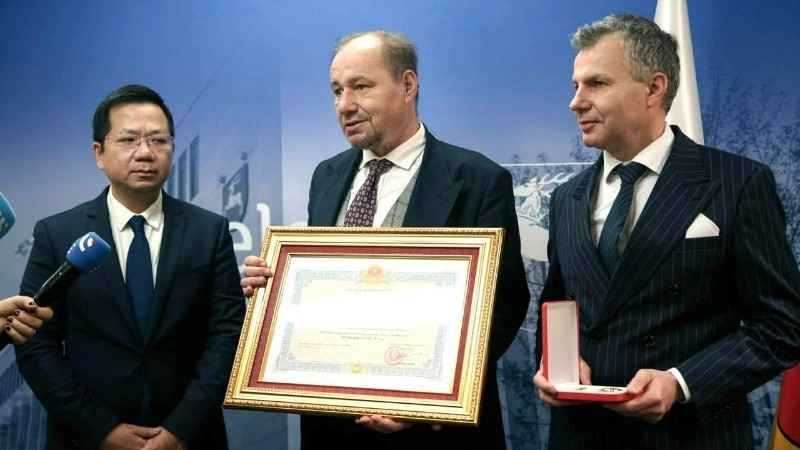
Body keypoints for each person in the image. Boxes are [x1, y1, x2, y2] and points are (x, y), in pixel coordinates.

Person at [241, 30, 530, 449]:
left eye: (361, 86)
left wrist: (425, 402)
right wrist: (275, 288)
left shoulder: (479, 180)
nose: (345, 105)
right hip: (332, 427)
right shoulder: (326, 175)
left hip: (432, 434)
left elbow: (503, 306)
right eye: (337, 90)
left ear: (408, 85)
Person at [532, 14, 800, 449]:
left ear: (654, 88)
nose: (575, 102)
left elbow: (782, 325)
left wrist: (681, 382)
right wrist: (554, 362)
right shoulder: (566, 197)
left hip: (689, 436)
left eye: (597, 84)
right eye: (575, 85)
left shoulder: (737, 183)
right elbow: (557, 306)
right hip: (581, 435)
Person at [15, 85, 246, 450]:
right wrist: (99, 429)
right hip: (86, 438)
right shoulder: (57, 234)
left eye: (159, 140)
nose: (145, 153)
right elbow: (35, 343)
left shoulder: (209, 231)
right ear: (99, 153)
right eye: (128, 140)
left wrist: (180, 430)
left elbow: (228, 335)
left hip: (190, 437)